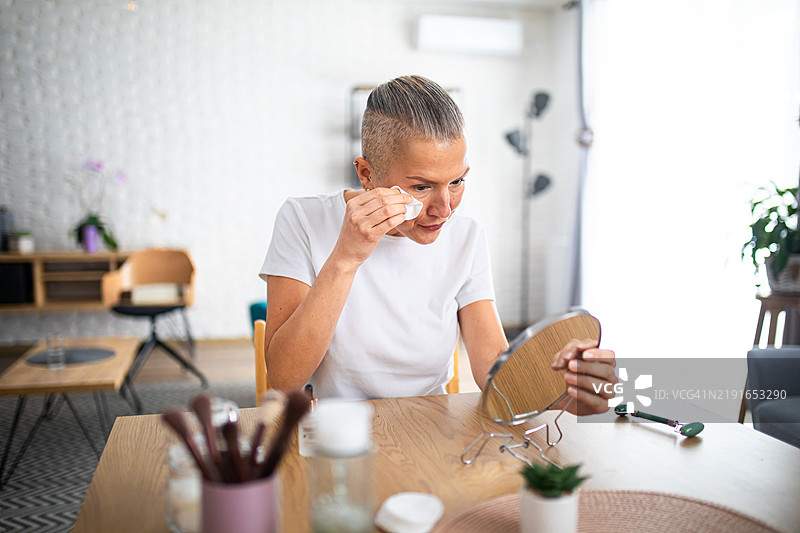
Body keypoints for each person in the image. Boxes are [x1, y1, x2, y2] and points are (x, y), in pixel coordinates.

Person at [259, 75, 616, 413]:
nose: (444, 209)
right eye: (421, 187)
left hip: (432, 426)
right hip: (340, 429)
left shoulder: (467, 237)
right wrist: (345, 259)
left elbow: (494, 367)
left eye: (457, 181)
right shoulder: (303, 219)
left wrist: (565, 391)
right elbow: (285, 378)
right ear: (367, 175)